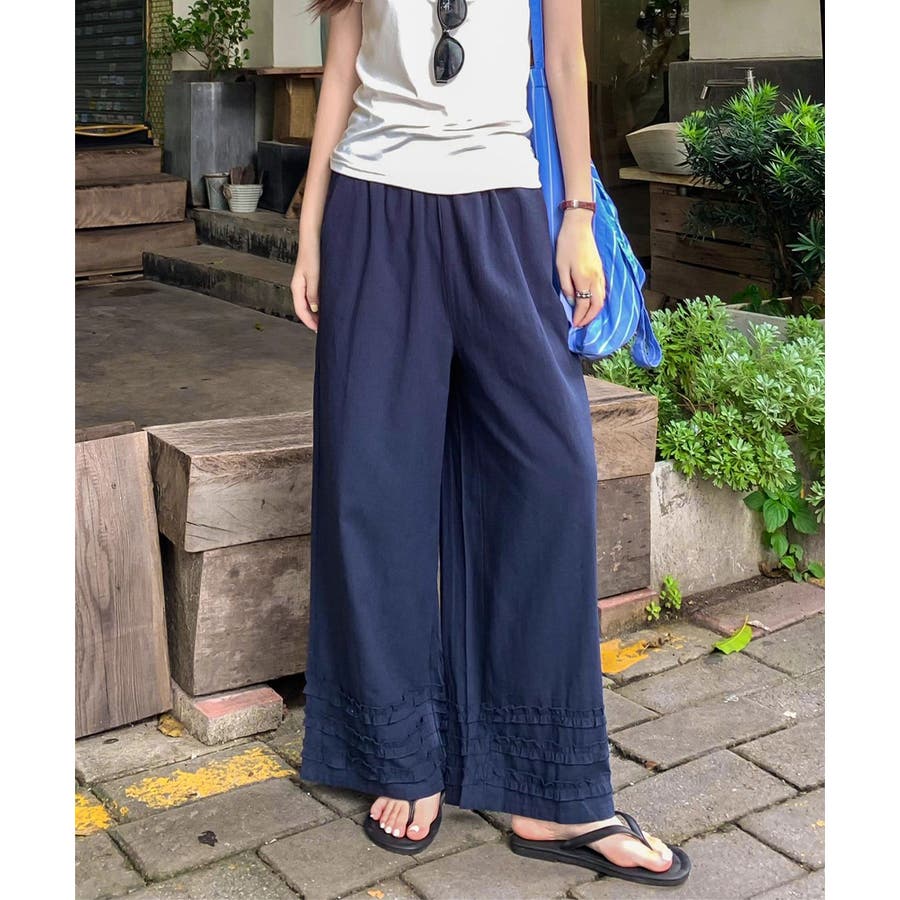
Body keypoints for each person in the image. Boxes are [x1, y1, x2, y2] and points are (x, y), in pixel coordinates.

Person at [290, 0, 690, 887]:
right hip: (373, 203)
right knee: (372, 484)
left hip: (506, 205)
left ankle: (552, 787)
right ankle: (399, 751)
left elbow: (566, 60)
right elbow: (342, 61)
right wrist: (311, 225)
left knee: (553, 469)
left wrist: (577, 214)